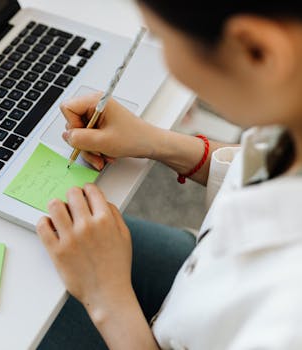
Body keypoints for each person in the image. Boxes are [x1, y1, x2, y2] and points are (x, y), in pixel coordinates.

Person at [37, 1, 302, 349]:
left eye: (161, 38)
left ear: (257, 52)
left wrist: (107, 298)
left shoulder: (287, 318)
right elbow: (266, 159)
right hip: (196, 280)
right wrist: (155, 142)